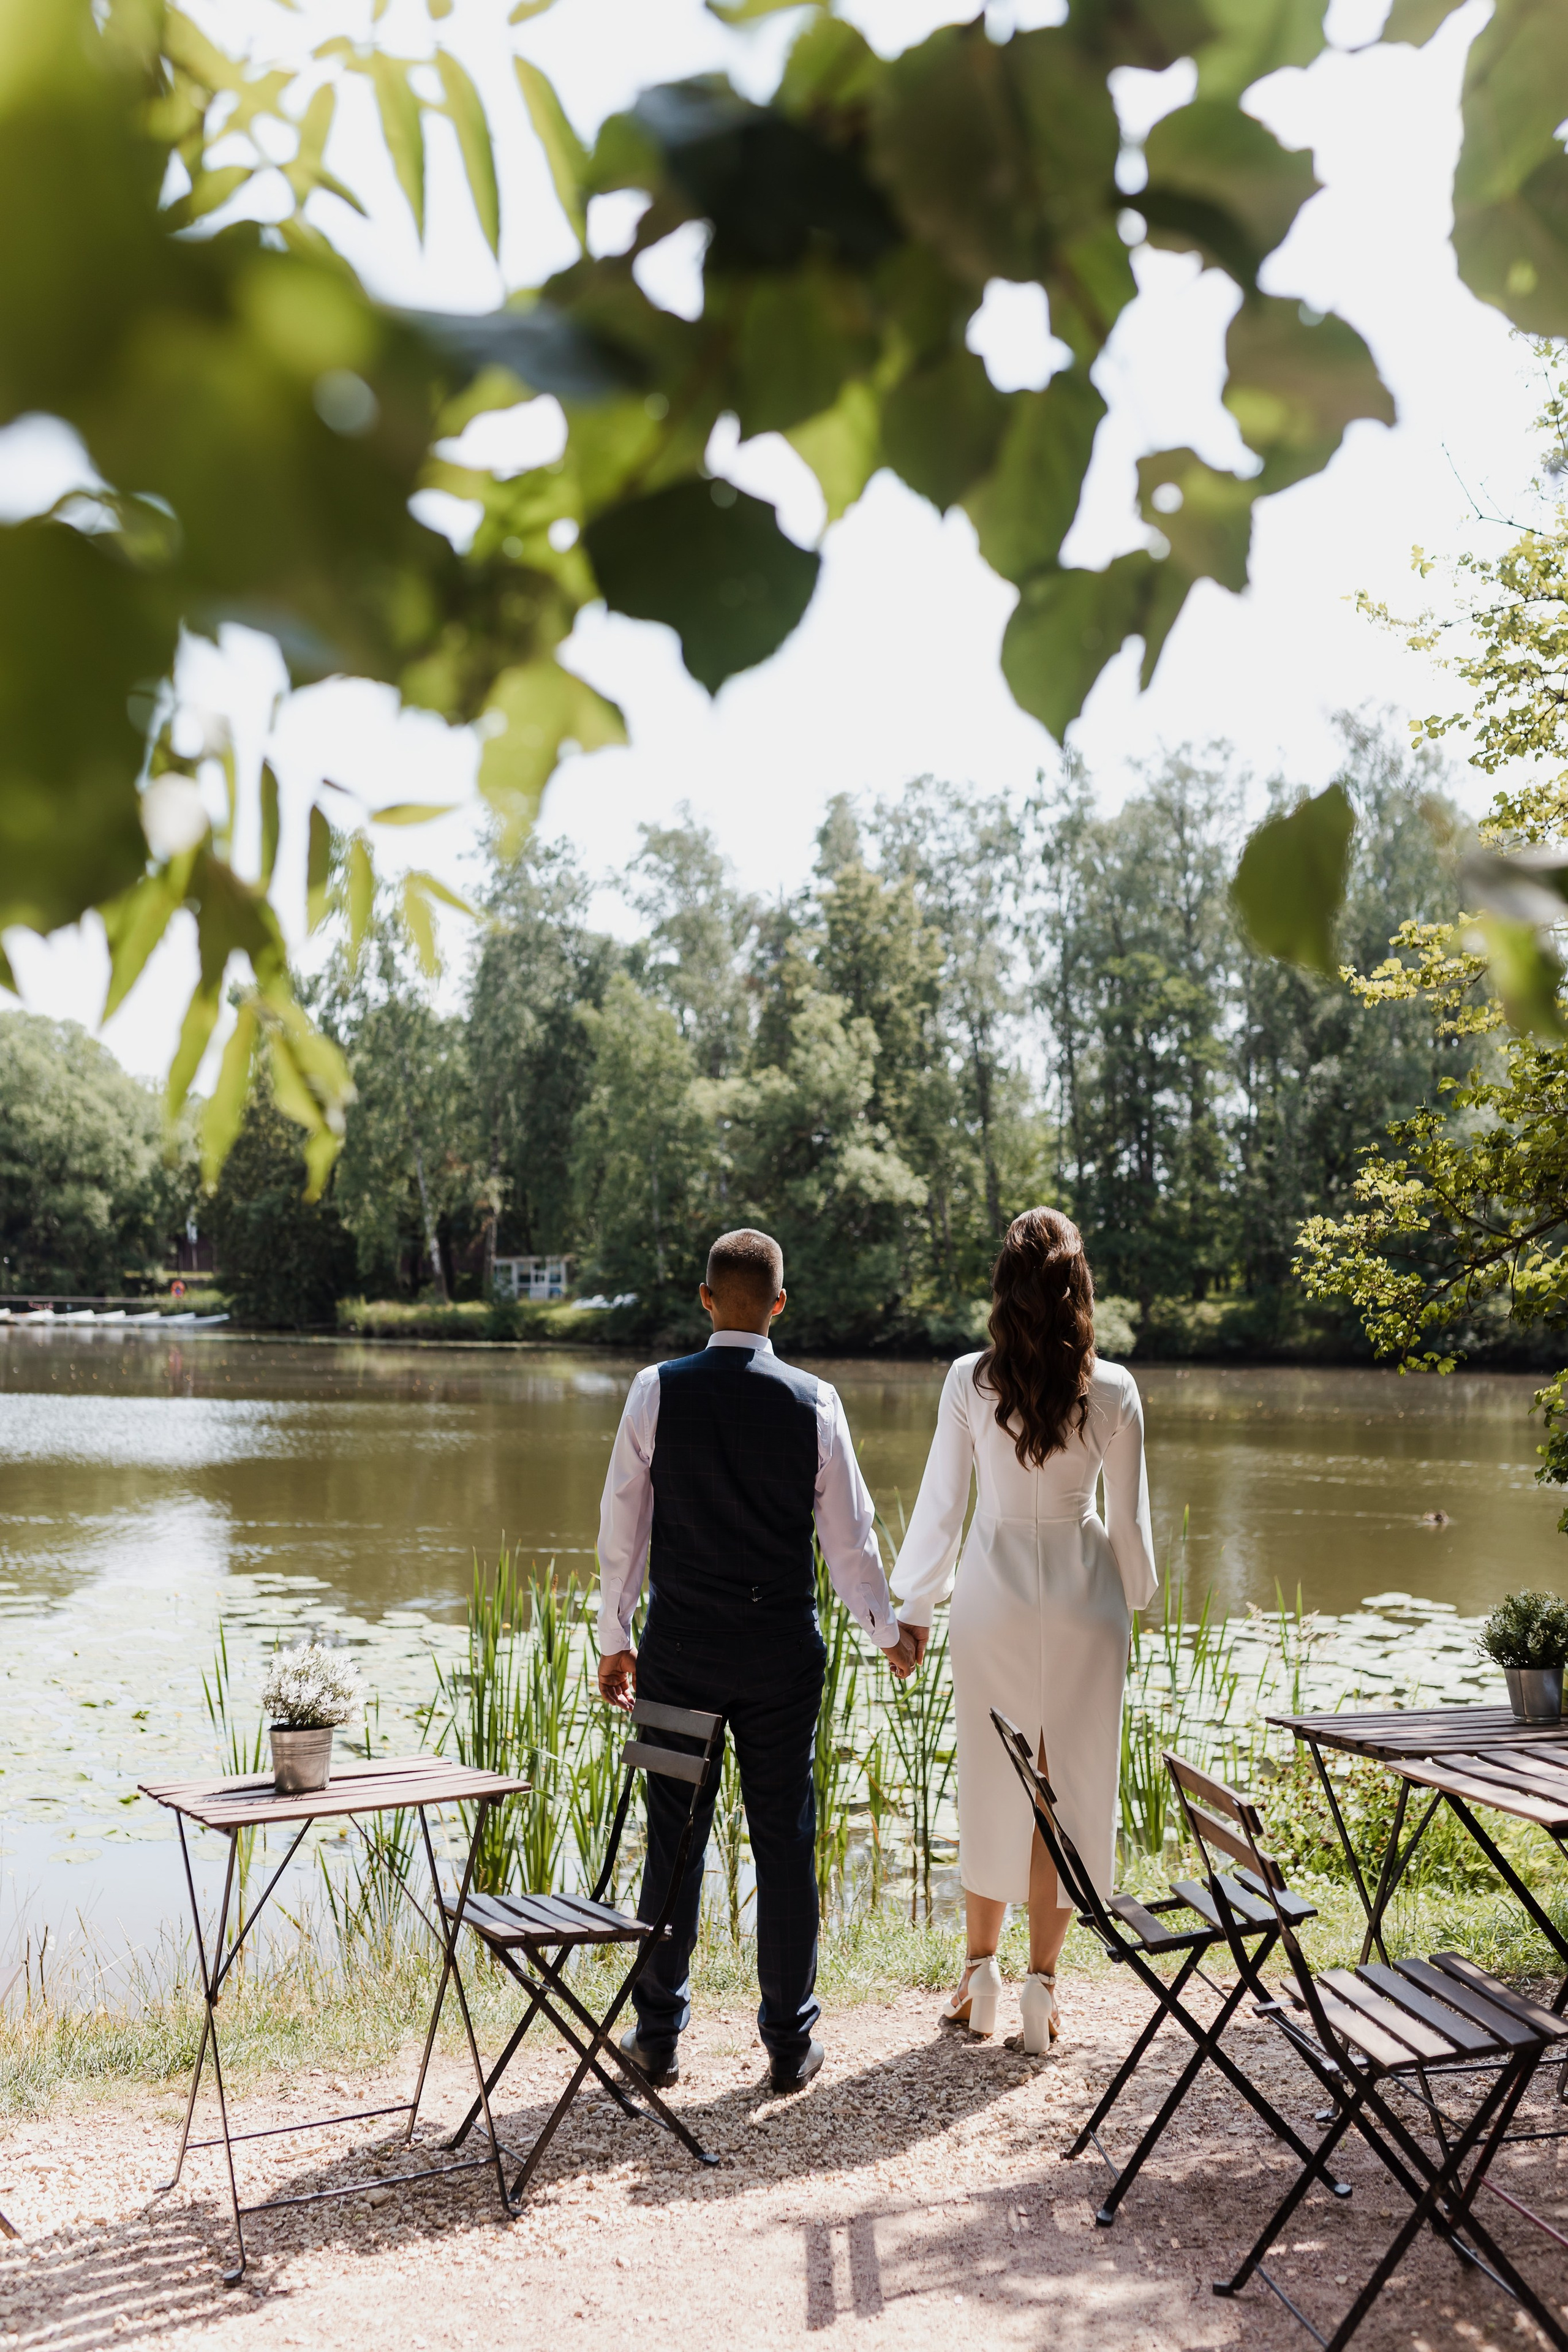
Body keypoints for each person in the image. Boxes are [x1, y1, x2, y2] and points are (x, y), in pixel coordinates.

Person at [595, 1227, 917, 2095]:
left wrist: (615, 1638)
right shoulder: (816, 1401)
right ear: (780, 1304)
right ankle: (787, 2043)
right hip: (780, 1654)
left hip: (680, 1652)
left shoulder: (656, 1390)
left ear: (705, 1298)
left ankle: (657, 2037)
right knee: (784, 1839)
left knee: (674, 1840)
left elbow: (623, 1525)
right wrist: (887, 1632)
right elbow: (850, 1542)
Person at [891, 1207, 1156, 2052]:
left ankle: (980, 1976)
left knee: (992, 1777)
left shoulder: (968, 1381)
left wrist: (914, 1608)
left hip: (993, 1597)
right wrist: (1137, 1598)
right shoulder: (1113, 1388)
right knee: (1063, 1792)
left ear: (1003, 1289)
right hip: (1084, 1599)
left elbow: (942, 1506)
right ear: (1080, 1290)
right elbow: (1129, 1524)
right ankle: (1042, 1988)